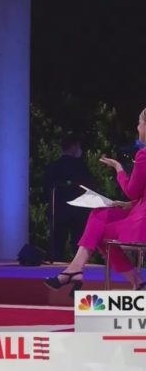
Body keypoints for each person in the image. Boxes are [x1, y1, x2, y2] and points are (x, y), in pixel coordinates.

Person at [44, 109, 146, 296]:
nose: (137, 127)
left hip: (142, 222)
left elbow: (132, 191)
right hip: (139, 212)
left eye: (140, 123)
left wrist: (118, 169)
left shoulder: (144, 155)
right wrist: (129, 205)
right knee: (101, 213)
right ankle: (75, 270)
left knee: (98, 232)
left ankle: (76, 271)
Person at [45, 134, 93, 261]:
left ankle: (55, 267)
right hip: (78, 212)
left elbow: (46, 189)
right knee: (78, 245)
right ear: (73, 146)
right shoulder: (80, 167)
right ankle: (77, 267)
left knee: (57, 245)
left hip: (58, 211)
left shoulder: (53, 166)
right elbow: (90, 186)